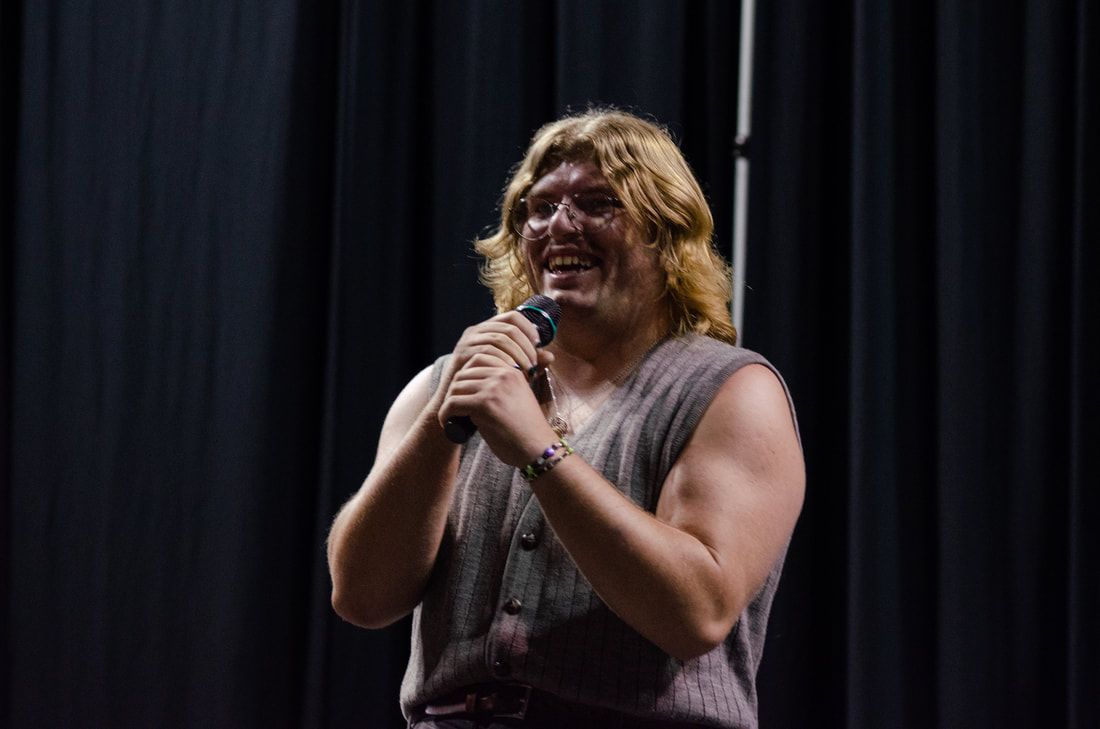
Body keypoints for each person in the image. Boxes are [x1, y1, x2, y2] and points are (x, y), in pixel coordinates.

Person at [327, 109, 805, 729]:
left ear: (667, 236)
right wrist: (440, 426)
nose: (561, 225)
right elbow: (362, 598)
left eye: (598, 202)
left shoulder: (730, 390)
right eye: (539, 206)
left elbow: (696, 614)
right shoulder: (449, 382)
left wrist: (538, 448)